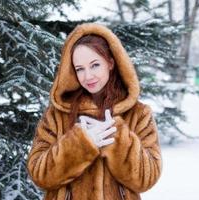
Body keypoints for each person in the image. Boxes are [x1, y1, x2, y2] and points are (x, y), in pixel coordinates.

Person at [27, 23, 162, 200]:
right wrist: (79, 145)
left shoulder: (139, 114)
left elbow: (148, 178)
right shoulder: (56, 114)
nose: (88, 76)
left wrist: (117, 139)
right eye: (80, 69)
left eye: (95, 65)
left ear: (111, 63)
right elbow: (38, 174)